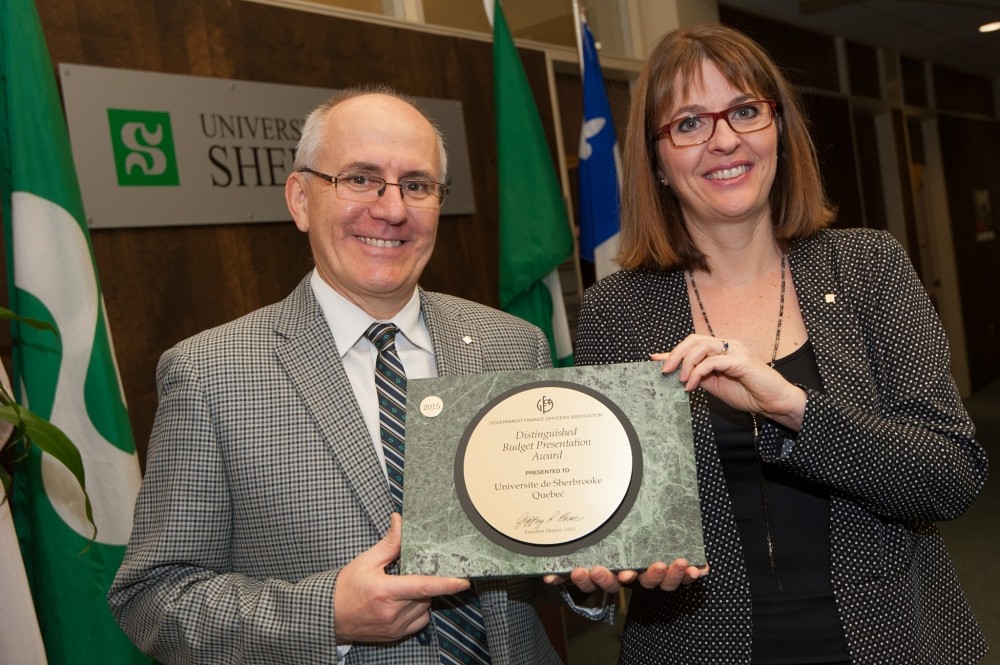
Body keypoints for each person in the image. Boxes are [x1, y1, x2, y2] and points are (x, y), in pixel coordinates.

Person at [108, 85, 601, 664]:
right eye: (360, 178)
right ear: (299, 199)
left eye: (416, 185)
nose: (392, 210)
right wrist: (328, 615)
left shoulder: (510, 345)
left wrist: (582, 576)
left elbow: (542, 544)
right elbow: (152, 597)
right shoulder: (210, 374)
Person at [574, 24, 990, 664]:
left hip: (891, 637)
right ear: (655, 161)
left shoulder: (867, 269)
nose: (724, 140)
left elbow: (950, 477)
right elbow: (611, 519)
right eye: (688, 123)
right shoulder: (616, 310)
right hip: (693, 645)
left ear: (778, 132)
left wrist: (793, 408)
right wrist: (608, 570)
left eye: (744, 111)